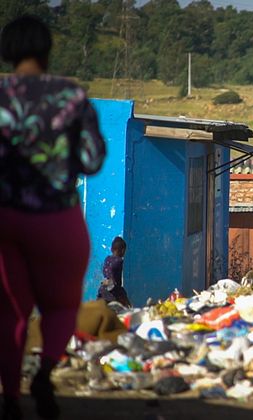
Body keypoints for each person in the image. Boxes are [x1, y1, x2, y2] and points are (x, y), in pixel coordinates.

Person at [0, 16, 106, 420]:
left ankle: (10, 397)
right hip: (56, 217)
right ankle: (44, 374)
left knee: (8, 312)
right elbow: (93, 161)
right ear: (47, 51)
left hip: (4, 218)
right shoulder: (71, 97)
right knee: (61, 306)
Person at [97, 237, 132, 307]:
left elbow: (107, 273)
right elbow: (114, 279)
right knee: (125, 308)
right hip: (113, 294)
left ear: (111, 249)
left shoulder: (107, 259)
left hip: (102, 292)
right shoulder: (119, 261)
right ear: (123, 251)